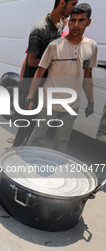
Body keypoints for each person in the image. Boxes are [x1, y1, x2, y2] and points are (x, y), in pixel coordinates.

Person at [26, 3, 97, 152]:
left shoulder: (91, 46)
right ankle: (27, 164)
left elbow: (88, 76)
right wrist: (31, 96)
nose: (76, 24)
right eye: (73, 20)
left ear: (88, 22)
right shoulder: (54, 46)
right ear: (69, 21)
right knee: (38, 135)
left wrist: (91, 101)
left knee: (62, 140)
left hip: (72, 105)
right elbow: (39, 71)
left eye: (81, 20)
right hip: (49, 103)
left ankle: (54, 169)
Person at [12, 0, 79, 147]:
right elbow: (31, 61)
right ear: (62, 3)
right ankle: (8, 162)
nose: (75, 8)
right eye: (73, 4)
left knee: (37, 125)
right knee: (26, 125)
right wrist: (55, 62)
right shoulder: (39, 29)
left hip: (47, 86)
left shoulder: (59, 27)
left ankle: (22, 151)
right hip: (34, 86)